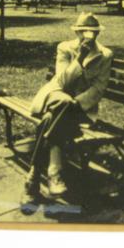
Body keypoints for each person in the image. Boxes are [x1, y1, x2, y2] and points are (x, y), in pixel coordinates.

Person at [20, 12, 113, 209]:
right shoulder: (64, 48)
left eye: (92, 32)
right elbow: (62, 82)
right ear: (77, 32)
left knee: (51, 117)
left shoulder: (105, 55)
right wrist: (79, 59)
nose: (87, 35)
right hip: (55, 95)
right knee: (62, 103)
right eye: (82, 32)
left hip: (78, 108)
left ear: (97, 33)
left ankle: (33, 178)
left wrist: (75, 103)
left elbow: (98, 90)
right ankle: (54, 172)